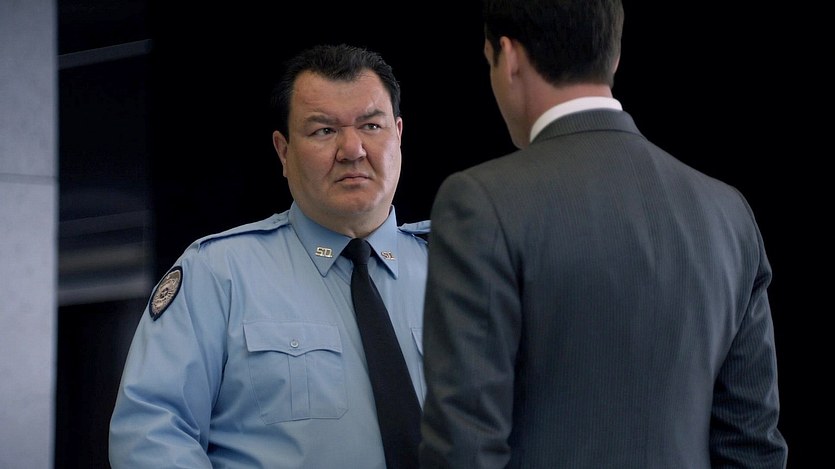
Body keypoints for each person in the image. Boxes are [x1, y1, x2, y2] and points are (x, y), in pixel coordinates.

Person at [419, 1, 788, 468]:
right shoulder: (728, 212)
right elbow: (752, 445)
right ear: (613, 55)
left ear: (507, 57)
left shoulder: (479, 202)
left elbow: (464, 449)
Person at [109, 43, 430, 468]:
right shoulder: (217, 273)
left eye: (371, 125)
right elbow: (149, 434)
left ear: (398, 135)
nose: (352, 149)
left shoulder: (459, 269)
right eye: (324, 131)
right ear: (283, 151)